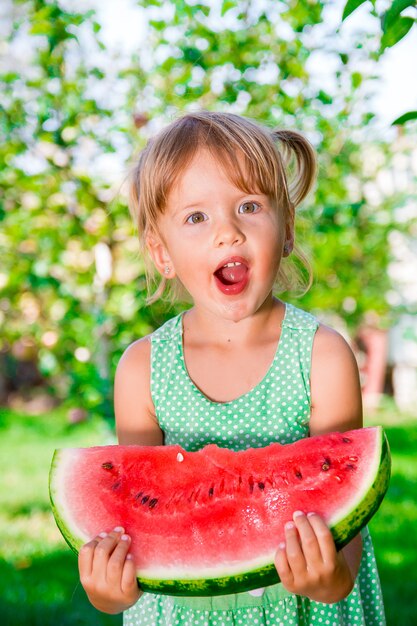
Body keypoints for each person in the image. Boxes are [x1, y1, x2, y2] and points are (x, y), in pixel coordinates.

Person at [78, 111, 386, 625]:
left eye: (249, 206)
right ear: (161, 252)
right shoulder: (143, 369)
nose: (228, 231)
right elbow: (133, 527)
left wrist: (329, 578)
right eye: (196, 217)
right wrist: (108, 591)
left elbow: (345, 528)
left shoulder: (322, 356)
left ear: (286, 231)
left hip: (304, 610)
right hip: (181, 609)